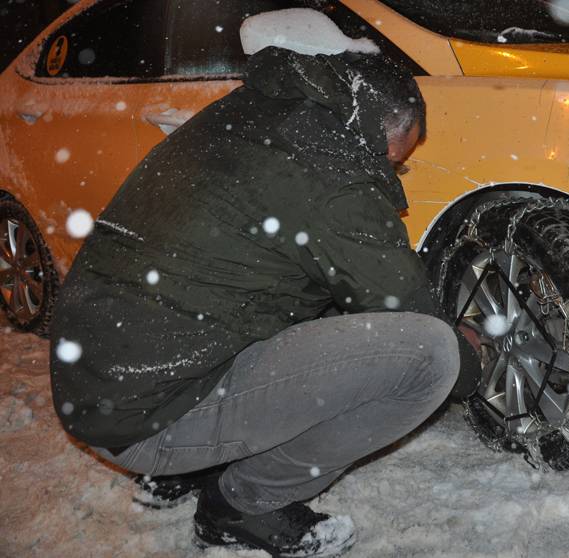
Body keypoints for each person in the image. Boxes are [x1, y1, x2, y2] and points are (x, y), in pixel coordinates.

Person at [48, 12, 479, 557]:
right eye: (396, 157)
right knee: (430, 356)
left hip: (101, 386)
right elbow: (402, 306)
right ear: (379, 121)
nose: (392, 171)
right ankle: (243, 507)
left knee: (314, 303)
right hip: (145, 417)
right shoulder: (330, 169)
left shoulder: (252, 117)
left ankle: (188, 464)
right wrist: (471, 359)